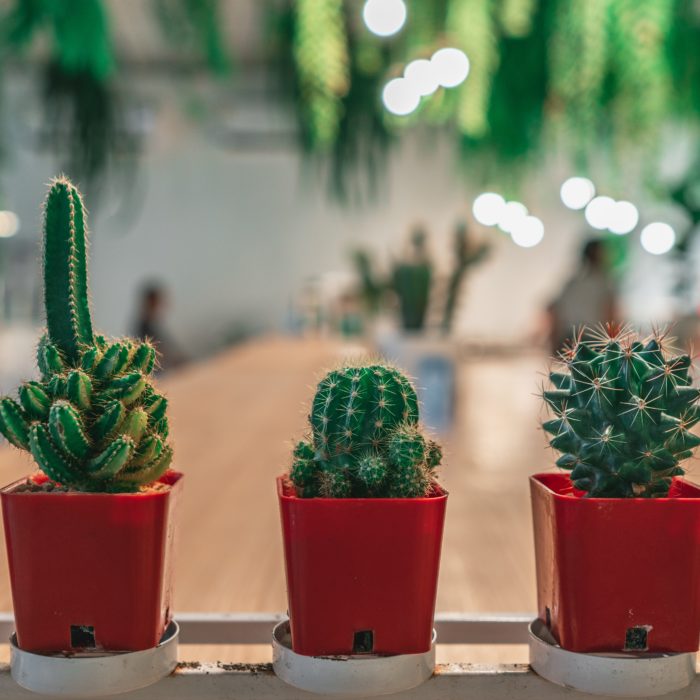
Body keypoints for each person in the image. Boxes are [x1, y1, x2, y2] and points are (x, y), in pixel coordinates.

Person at [547, 239, 619, 353]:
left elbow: (552, 308)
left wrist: (553, 339)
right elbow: (610, 315)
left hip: (569, 340)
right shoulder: (604, 284)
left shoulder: (572, 283)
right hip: (595, 342)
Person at [132, 282, 186, 371]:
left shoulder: (151, 321)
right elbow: (155, 350)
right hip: (157, 371)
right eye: (156, 300)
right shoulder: (145, 325)